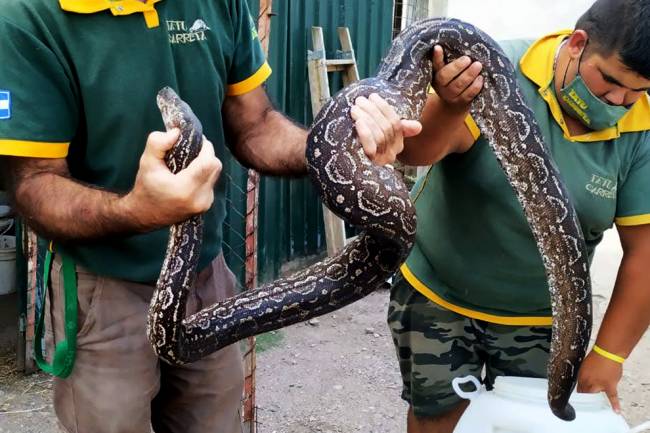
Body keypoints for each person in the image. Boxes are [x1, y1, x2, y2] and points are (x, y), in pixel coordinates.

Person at [0, 1, 421, 432]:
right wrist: (136, 210)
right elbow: (33, 183)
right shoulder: (26, 16)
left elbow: (256, 125)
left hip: (206, 276)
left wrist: (335, 149)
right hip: (100, 286)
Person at [389, 1, 650, 432]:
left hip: (541, 316)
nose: (620, 100)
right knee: (438, 419)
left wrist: (609, 355)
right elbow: (417, 151)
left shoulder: (640, 126)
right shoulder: (494, 69)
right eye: (609, 80)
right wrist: (451, 107)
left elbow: (645, 253)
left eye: (638, 90)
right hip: (438, 293)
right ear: (577, 45)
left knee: (524, 424)